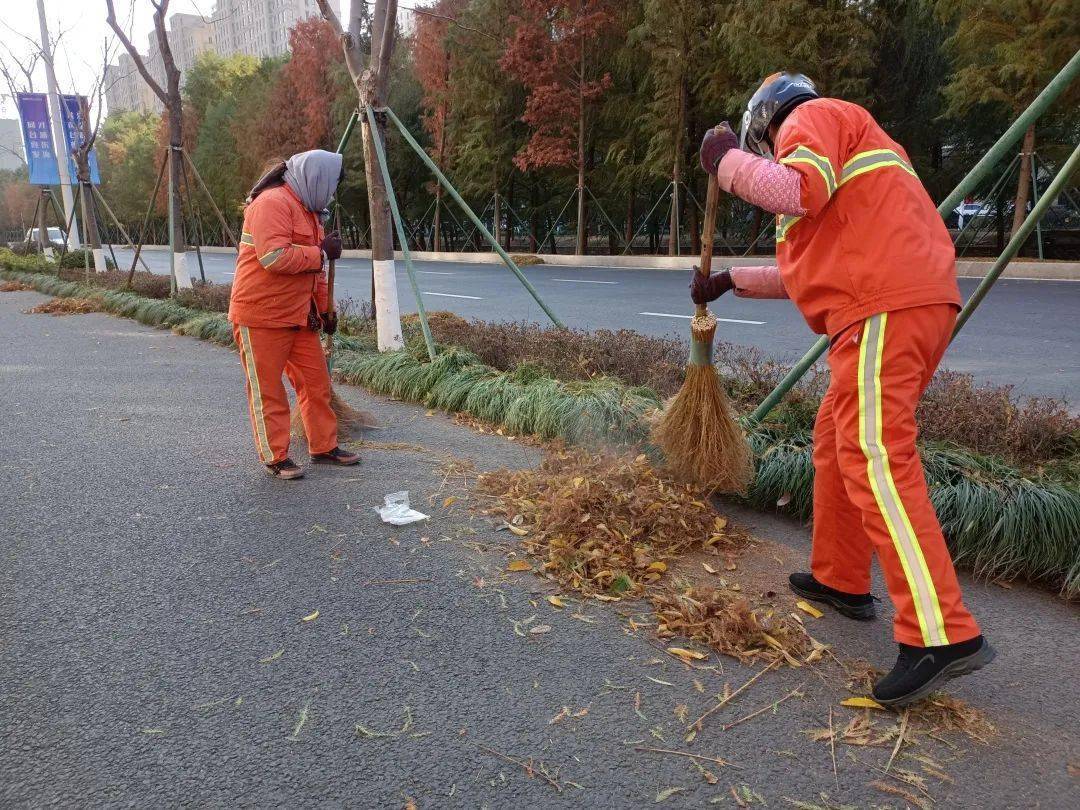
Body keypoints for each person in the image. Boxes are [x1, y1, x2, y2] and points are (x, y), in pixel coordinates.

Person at [693, 73, 994, 706]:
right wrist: (729, 281)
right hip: (891, 301)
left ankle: (941, 634)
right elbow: (809, 270)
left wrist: (726, 164)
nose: (769, 155)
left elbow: (795, 189)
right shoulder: (841, 153)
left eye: (761, 146)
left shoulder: (815, 118)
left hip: (883, 305)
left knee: (874, 454)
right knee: (836, 437)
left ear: (768, 123)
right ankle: (841, 578)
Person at [228, 149, 360, 480]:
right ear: (315, 179)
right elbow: (274, 257)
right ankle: (276, 456)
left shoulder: (310, 213)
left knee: (316, 384)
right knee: (268, 390)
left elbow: (314, 275)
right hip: (260, 317)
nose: (331, 194)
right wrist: (320, 252)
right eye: (330, 187)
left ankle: (323, 446)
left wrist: (326, 311)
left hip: (299, 317)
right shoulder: (271, 203)